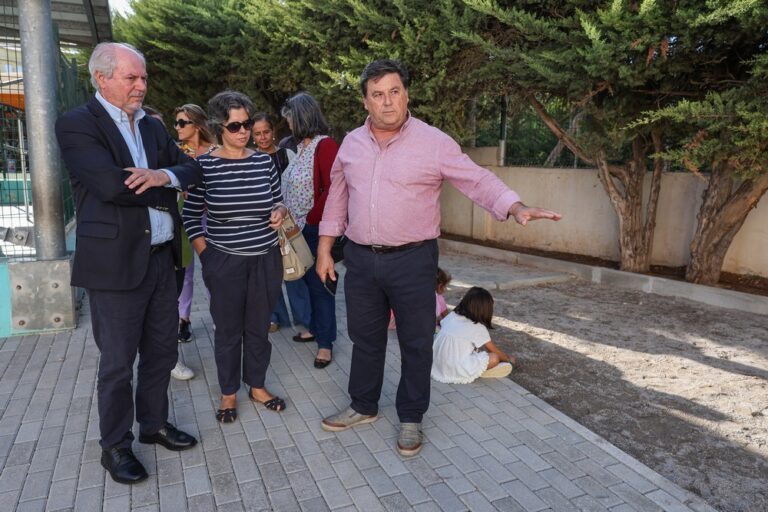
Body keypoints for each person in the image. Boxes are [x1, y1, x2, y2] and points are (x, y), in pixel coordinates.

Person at [316, 59, 561, 457]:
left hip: (413, 260)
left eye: (394, 92)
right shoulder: (351, 144)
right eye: (377, 95)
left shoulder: (433, 142)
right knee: (364, 337)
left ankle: (411, 417)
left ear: (406, 95)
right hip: (360, 259)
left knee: (416, 342)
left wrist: (514, 206)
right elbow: (337, 198)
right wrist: (325, 248)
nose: (387, 102)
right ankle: (363, 405)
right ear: (365, 102)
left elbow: (476, 178)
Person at [55, 42, 201, 484]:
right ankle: (115, 445)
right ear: (102, 78)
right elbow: (110, 186)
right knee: (118, 362)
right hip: (115, 266)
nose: (141, 85)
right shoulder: (77, 124)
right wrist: (169, 184)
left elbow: (191, 169)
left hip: (161, 260)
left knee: (162, 351)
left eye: (144, 78)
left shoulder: (152, 127)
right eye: (131, 77)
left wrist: (162, 175)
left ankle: (153, 425)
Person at [182, 90, 288, 424]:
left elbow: (278, 200)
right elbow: (190, 216)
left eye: (247, 124)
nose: (244, 131)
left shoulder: (264, 162)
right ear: (218, 128)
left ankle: (257, 386)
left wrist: (280, 211)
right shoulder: (204, 166)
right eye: (235, 126)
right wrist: (208, 258)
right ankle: (228, 392)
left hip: (265, 259)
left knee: (258, 328)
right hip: (224, 262)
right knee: (228, 331)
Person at [281, 92, 340, 369]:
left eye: (290, 118)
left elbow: (334, 188)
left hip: (315, 230)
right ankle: (315, 329)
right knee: (305, 284)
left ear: (302, 117)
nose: (288, 124)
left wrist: (313, 220)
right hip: (296, 231)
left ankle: (326, 344)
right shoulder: (301, 147)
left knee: (321, 287)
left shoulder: (325, 145)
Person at [251, 113, 311, 334]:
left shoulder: (287, 154)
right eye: (257, 133)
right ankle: (274, 317)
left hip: (287, 222)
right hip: (262, 225)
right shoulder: (250, 159)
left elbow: (298, 187)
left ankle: (305, 321)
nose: (262, 137)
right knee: (268, 275)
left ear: (273, 131)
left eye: (266, 132)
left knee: (295, 273)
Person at [171, 104, 218, 382]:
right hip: (184, 218)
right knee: (185, 271)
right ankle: (183, 320)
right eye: (176, 123)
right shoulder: (176, 153)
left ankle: (219, 317)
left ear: (197, 125)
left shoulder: (215, 151)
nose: (177, 127)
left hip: (212, 219)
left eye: (182, 123)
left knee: (213, 269)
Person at [431, 287, 515, 383]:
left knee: (473, 349)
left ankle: (477, 368)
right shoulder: (478, 328)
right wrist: (508, 359)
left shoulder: (452, 316)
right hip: (455, 368)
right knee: (494, 358)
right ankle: (479, 371)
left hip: (436, 364)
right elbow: (493, 350)